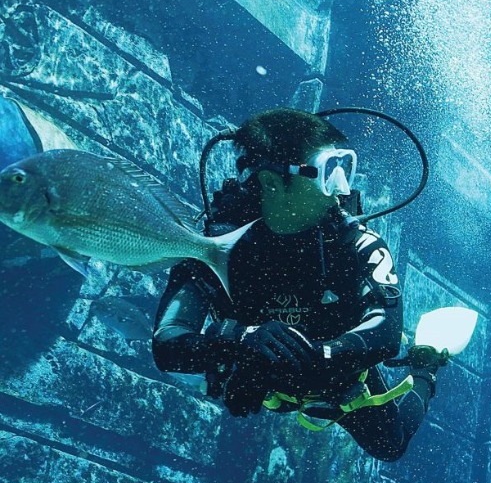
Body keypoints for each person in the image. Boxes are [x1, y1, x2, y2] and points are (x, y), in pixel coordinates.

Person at [152, 108, 450, 462]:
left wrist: (320, 355)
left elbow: (385, 332)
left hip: (336, 374)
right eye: (328, 171)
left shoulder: (356, 243)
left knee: (391, 445)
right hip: (253, 370)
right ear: (272, 183)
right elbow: (167, 344)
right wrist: (239, 340)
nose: (342, 188)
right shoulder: (215, 245)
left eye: (346, 167)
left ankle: (425, 368)